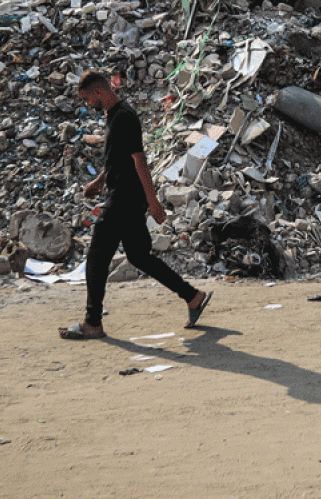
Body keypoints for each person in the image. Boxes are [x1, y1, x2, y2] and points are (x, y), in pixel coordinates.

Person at [60, 70, 210, 338]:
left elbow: (139, 160)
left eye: (87, 99)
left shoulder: (124, 117)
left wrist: (154, 203)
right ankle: (193, 296)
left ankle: (93, 322)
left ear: (99, 92)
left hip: (123, 199)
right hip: (123, 196)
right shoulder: (115, 115)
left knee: (95, 259)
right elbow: (120, 158)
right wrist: (99, 181)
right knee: (139, 256)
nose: (87, 105)